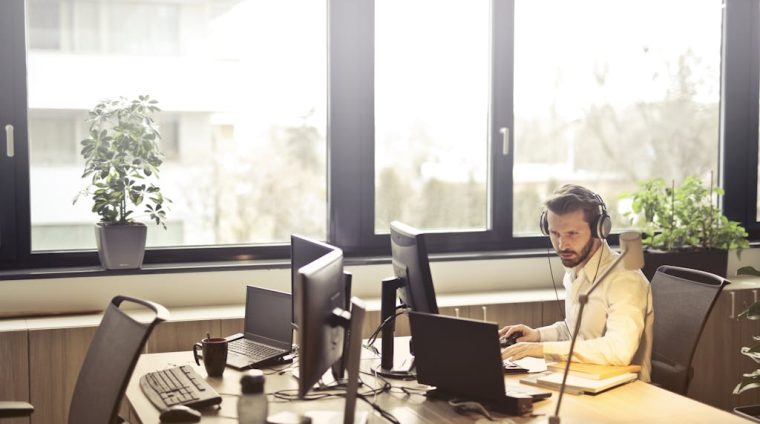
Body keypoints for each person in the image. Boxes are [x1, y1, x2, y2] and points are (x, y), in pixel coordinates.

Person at [500, 184, 654, 382]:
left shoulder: (625, 278)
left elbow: (619, 350)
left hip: (625, 391)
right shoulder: (576, 270)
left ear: (600, 229)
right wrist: (537, 335)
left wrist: (541, 349)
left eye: (572, 234)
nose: (562, 245)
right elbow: (575, 331)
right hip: (582, 378)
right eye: (555, 234)